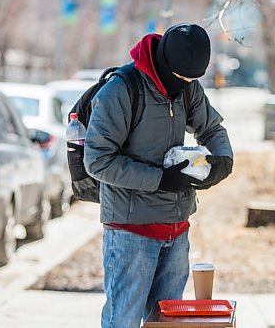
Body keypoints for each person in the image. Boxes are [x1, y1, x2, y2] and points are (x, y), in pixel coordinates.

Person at [83, 23, 233, 328]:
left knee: (166, 324)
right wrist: (160, 179)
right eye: (182, 79)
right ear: (165, 65)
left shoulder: (187, 86)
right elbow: (97, 161)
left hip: (176, 230)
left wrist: (223, 160)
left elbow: (212, 128)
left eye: (192, 80)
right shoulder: (121, 91)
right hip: (130, 232)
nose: (186, 86)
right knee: (122, 321)